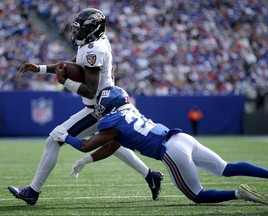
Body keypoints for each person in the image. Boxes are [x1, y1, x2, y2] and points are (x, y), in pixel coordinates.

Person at [8, 8, 163, 205]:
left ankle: (32, 192)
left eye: (82, 30)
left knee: (54, 139)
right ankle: (151, 175)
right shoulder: (92, 43)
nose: (77, 34)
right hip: (102, 104)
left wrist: (64, 82)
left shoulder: (94, 49)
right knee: (113, 145)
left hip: (98, 108)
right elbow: (71, 64)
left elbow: (90, 90)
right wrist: (40, 69)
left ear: (94, 31)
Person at [51, 86, 268, 205]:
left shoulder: (112, 122)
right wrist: (86, 161)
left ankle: (238, 193)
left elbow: (86, 144)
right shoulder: (129, 111)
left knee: (197, 195)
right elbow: (112, 145)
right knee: (225, 167)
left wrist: (65, 136)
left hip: (171, 152)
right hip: (182, 138)